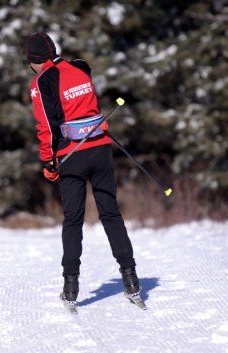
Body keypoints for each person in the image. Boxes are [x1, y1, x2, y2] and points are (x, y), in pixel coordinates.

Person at [23, 32, 140, 305]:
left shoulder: (41, 83)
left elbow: (47, 128)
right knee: (110, 213)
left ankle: (71, 288)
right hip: (100, 149)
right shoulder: (80, 67)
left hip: (71, 155)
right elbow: (80, 68)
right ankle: (131, 278)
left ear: (31, 61)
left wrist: (48, 163)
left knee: (73, 220)